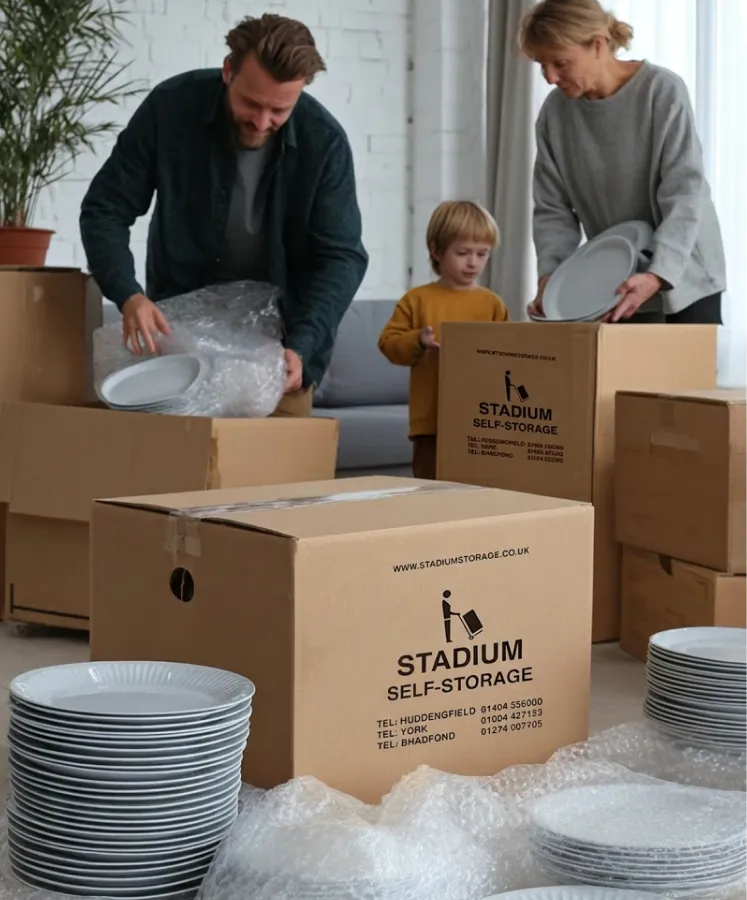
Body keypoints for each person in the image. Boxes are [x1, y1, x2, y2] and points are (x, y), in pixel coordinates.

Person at [80, 13, 368, 417]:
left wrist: (302, 344)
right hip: (178, 346)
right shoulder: (171, 109)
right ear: (228, 70)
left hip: (280, 353)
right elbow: (105, 209)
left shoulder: (326, 143)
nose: (262, 121)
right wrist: (128, 294)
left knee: (276, 478)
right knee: (174, 474)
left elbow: (342, 257)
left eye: (280, 110)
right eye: (251, 103)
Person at [519, 0, 726, 325]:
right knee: (624, 375)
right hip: (616, 275)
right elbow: (553, 209)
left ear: (598, 45)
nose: (549, 77)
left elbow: (685, 192)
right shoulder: (554, 114)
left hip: (686, 271)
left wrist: (658, 273)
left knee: (684, 377)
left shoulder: (661, 91)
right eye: (540, 64)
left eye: (560, 62)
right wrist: (551, 278)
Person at [378, 201, 509, 480]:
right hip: (431, 423)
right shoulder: (417, 300)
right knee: (430, 491)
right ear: (436, 250)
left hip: (482, 420)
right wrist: (419, 340)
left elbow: (508, 357)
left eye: (482, 254)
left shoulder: (493, 304)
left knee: (478, 491)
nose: (473, 262)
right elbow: (389, 345)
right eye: (462, 253)